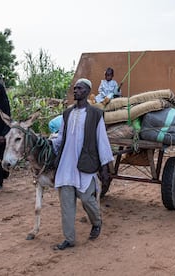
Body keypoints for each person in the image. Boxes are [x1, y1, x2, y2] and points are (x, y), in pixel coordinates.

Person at [51, 78, 114, 250]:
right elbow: (61, 137)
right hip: (66, 165)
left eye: (79, 88)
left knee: (87, 198)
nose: (75, 91)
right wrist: (49, 144)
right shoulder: (67, 113)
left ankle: (97, 222)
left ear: (86, 91)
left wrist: (105, 168)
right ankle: (69, 239)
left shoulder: (95, 114)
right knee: (66, 203)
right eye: (75, 88)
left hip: (85, 163)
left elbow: (102, 140)